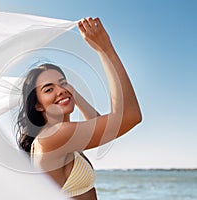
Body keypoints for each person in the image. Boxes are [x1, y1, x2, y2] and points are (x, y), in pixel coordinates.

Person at [16, 17, 142, 199]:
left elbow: (99, 124)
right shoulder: (55, 136)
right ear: (37, 105)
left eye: (63, 83)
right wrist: (105, 50)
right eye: (49, 89)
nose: (60, 90)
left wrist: (68, 93)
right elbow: (130, 116)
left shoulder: (60, 136)